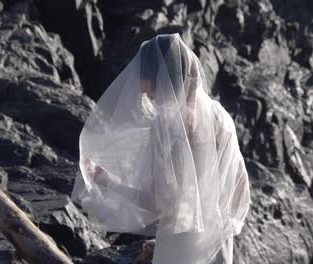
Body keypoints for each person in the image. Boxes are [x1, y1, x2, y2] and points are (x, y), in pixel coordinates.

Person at [71, 33, 251, 264]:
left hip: (179, 249)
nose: (150, 100)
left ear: (166, 82)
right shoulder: (221, 117)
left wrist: (105, 180)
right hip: (218, 245)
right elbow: (240, 186)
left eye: (152, 93)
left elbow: (158, 202)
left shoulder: (168, 130)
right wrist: (217, 230)